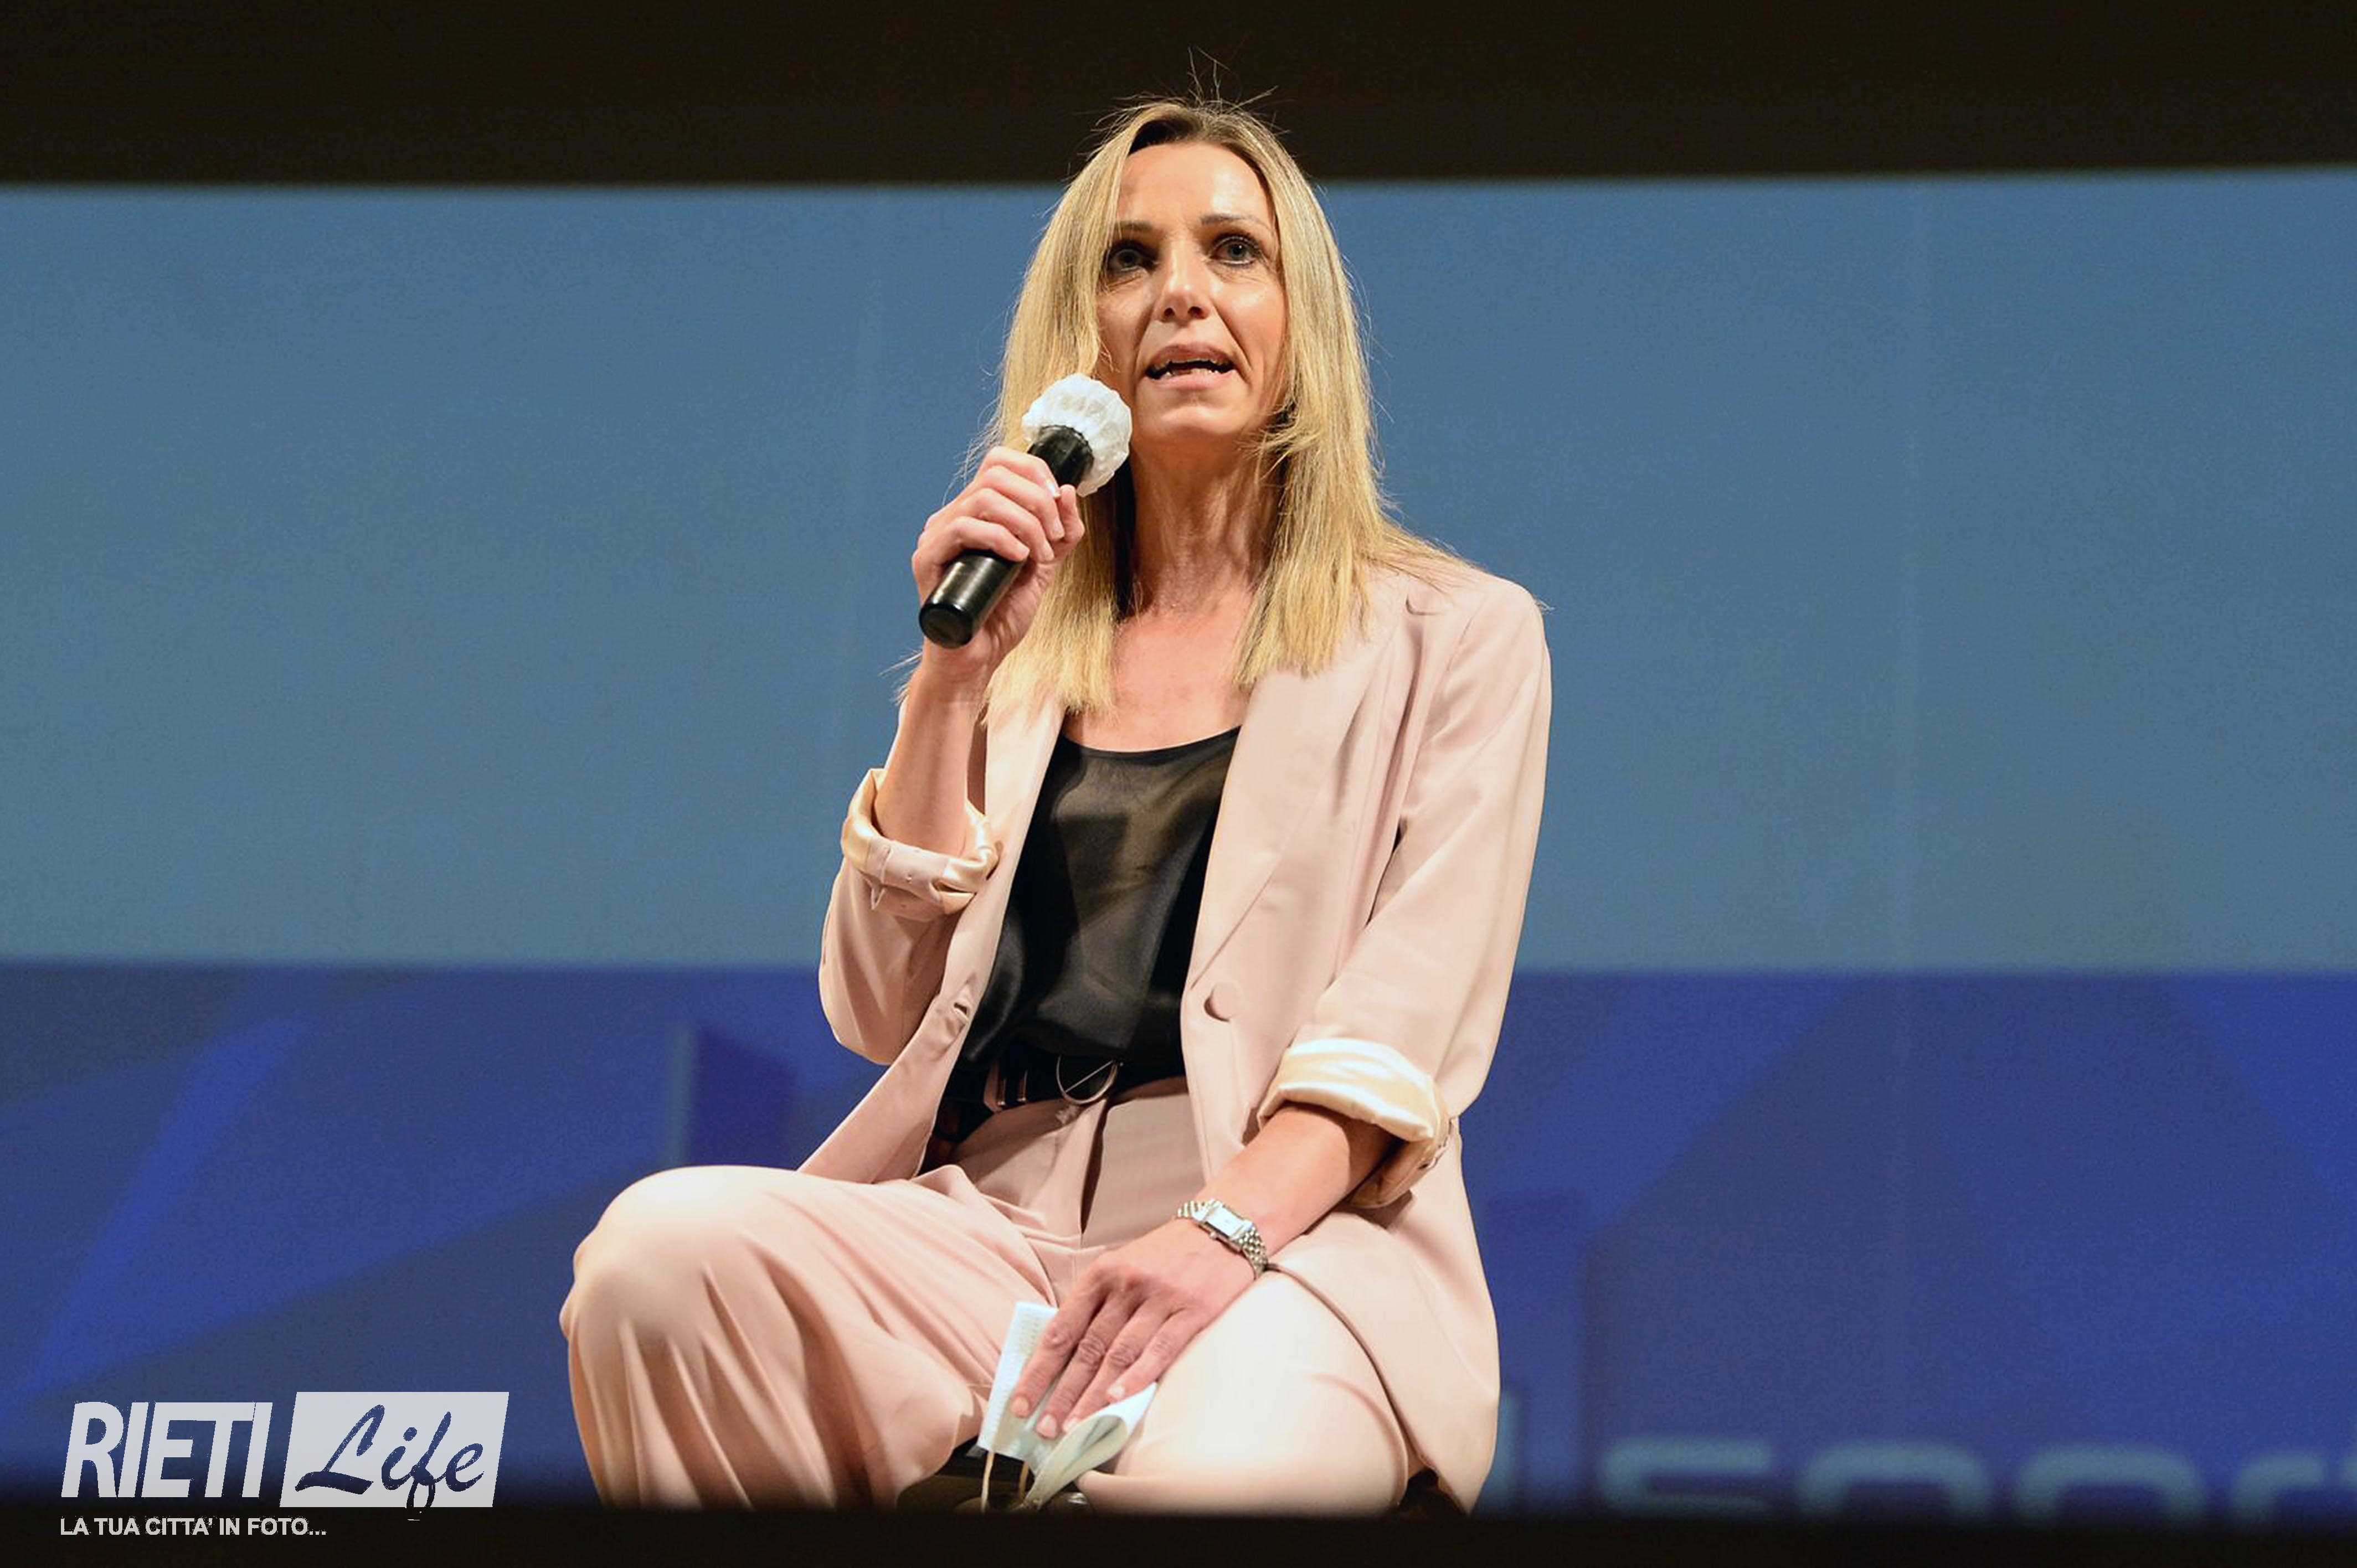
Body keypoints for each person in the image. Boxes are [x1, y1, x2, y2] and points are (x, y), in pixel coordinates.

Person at [558, 91, 1551, 1515]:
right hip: (982, 1230)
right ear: (1080, 338)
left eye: (1233, 252)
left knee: (1217, 1482)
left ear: (1302, 323)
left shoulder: (1453, 635)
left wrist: (1217, 1234)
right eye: (1130, 261)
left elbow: (1404, 1026)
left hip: (1289, 1240)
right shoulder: (1016, 645)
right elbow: (878, 1010)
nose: (1181, 294)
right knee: (656, 1260)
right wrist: (951, 680)